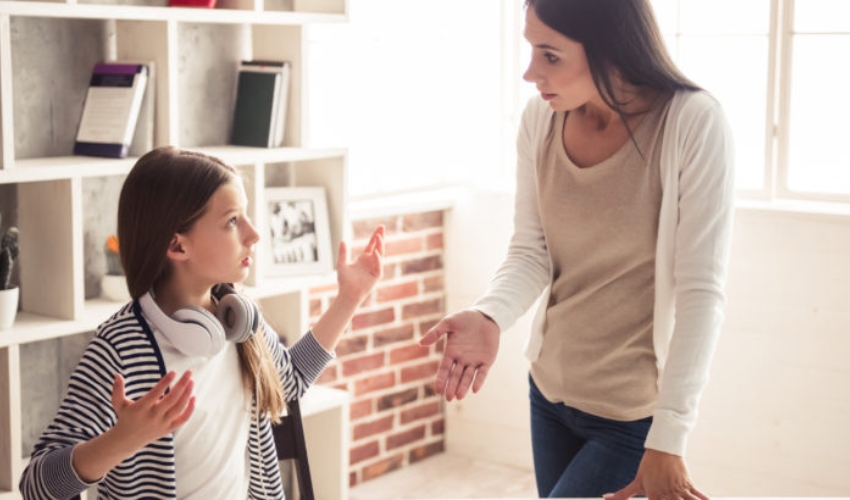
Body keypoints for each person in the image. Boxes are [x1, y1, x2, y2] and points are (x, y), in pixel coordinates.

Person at [420, 1, 735, 499]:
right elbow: (532, 249)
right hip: (549, 394)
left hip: (631, 415)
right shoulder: (540, 120)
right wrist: (490, 315)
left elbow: (702, 292)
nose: (530, 73)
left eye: (550, 55)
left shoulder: (692, 123)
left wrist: (670, 436)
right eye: (530, 50)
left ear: (611, 49)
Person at [19, 146, 385, 499]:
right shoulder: (119, 348)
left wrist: (348, 299)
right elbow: (36, 486)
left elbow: (288, 382)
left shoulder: (239, 319)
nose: (254, 234)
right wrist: (121, 440)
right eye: (232, 221)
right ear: (178, 247)